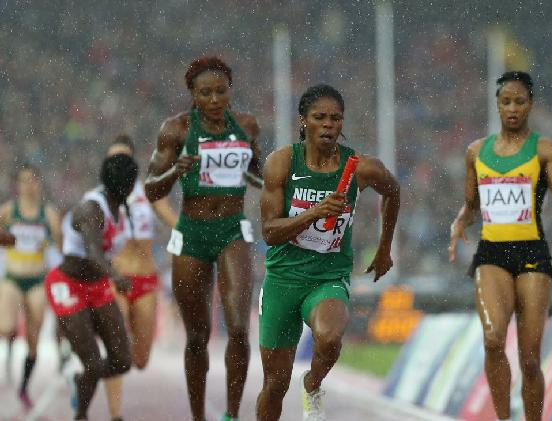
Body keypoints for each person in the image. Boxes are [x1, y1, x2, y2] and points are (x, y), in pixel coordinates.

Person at [254, 84, 400, 421]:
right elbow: (270, 232)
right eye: (320, 117)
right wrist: (314, 213)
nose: (329, 125)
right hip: (283, 280)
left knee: (330, 336)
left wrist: (384, 248)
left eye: (336, 118)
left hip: (327, 276)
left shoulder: (360, 167)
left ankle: (313, 382)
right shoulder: (282, 163)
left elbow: (392, 191)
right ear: (303, 122)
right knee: (274, 385)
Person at [144, 56, 261, 421]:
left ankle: (231, 414)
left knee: (239, 329)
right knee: (197, 337)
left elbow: (258, 176)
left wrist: (283, 185)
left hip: (231, 230)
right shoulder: (176, 130)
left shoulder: (246, 126)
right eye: (205, 93)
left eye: (221, 92)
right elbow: (150, 189)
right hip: (191, 233)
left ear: (229, 92)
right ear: (192, 95)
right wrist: (175, 171)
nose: (214, 100)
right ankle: (198, 415)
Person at [448, 71, 552, 421]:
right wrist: (458, 223)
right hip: (492, 255)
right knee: (492, 339)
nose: (512, 108)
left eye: (519, 101)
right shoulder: (476, 152)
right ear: (497, 105)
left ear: (530, 104)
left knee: (530, 359)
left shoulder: (544, 148)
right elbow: (472, 206)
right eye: (506, 102)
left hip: (533, 253)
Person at [45, 154, 137, 421]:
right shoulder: (91, 209)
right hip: (68, 285)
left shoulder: (122, 208)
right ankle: (81, 414)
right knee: (94, 361)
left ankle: (83, 379)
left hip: (96, 287)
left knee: (122, 360)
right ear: (128, 185)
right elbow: (94, 254)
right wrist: (116, 276)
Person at [102, 135, 178, 421]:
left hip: (145, 280)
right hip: (115, 277)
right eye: (113, 159)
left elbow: (173, 220)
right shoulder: (100, 196)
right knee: (116, 345)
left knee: (141, 359)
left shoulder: (149, 191)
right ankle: (115, 415)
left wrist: (195, 235)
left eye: (123, 158)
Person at [0, 163, 63, 408]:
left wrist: (55, 242)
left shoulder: (48, 214)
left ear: (38, 183)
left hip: (37, 279)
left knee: (34, 340)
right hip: (13, 278)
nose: (28, 185)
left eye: (32, 180)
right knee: (5, 326)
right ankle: (9, 342)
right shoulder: (8, 211)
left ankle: (24, 387)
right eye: (24, 180)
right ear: (17, 185)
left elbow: (60, 246)